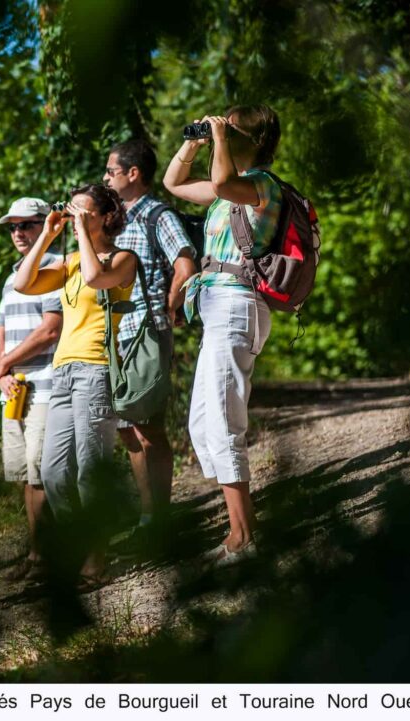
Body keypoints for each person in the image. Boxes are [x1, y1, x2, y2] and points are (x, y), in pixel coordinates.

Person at [162, 104, 283, 565]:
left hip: (238, 306)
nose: (222, 133)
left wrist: (218, 141)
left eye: (230, 129)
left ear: (251, 141)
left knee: (222, 423)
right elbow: (174, 182)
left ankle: (243, 537)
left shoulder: (260, 186)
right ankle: (238, 527)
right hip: (218, 310)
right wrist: (194, 140)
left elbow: (218, 182)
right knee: (201, 425)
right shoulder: (225, 194)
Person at [13, 184, 135, 589]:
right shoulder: (67, 262)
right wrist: (47, 234)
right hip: (63, 372)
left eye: (84, 212)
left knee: (88, 470)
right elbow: (23, 283)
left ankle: (96, 558)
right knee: (52, 472)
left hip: (97, 370)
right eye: (74, 213)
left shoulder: (122, 258)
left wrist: (81, 230)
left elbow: (98, 278)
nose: (76, 218)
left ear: (104, 216)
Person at [103, 139, 197, 534]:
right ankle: (147, 514)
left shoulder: (158, 215)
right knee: (126, 426)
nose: (105, 178)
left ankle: (160, 516)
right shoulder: (117, 218)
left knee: (148, 425)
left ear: (133, 173)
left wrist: (170, 306)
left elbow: (186, 263)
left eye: (110, 171)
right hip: (115, 333)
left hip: (147, 330)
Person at [0, 197, 63, 581]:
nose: (18, 233)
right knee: (24, 473)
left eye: (27, 225)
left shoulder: (56, 267)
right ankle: (37, 554)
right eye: (13, 227)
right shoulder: (12, 275)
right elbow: (2, 327)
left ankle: (48, 556)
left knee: (41, 473)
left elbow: (50, 329)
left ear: (47, 226)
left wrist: (5, 362)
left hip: (47, 385)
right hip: (15, 389)